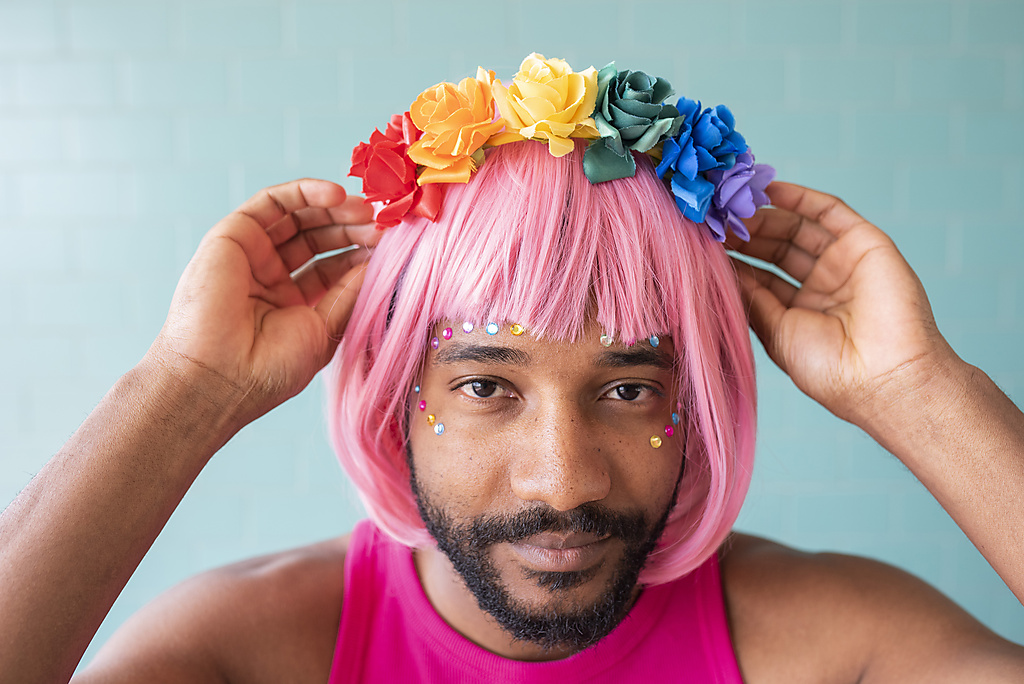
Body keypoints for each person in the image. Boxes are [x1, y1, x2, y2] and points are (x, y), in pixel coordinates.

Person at [2, 55, 1023, 683]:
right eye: (486, 386)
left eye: (628, 390)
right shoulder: (245, 651)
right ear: (397, 393)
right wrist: (184, 391)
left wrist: (919, 394)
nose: (562, 480)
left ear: (698, 404)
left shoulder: (833, 644)